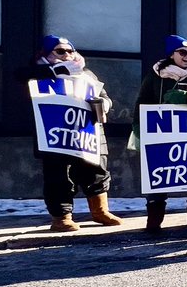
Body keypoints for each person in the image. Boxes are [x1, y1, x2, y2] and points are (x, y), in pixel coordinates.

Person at [17, 35, 120, 232]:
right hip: (56, 136)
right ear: (46, 54)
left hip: (87, 133)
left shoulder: (86, 73)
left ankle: (100, 211)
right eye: (60, 51)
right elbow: (20, 75)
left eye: (70, 51)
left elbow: (103, 95)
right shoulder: (38, 73)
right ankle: (62, 217)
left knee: (97, 171)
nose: (67, 55)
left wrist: (104, 105)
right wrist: (55, 71)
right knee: (59, 176)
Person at [134, 35, 187, 232]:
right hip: (162, 134)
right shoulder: (155, 75)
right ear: (171, 54)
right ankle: (154, 223)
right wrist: (137, 125)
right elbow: (142, 101)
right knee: (160, 175)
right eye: (182, 52)